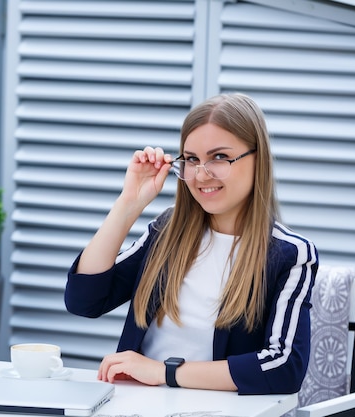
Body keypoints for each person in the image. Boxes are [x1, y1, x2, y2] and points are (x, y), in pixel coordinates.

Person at [64, 93, 318, 395]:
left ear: (257, 159)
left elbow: (284, 368)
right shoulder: (167, 232)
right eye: (192, 159)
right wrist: (128, 203)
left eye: (220, 157)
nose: (201, 174)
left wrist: (164, 372)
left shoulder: (288, 254)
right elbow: (84, 300)